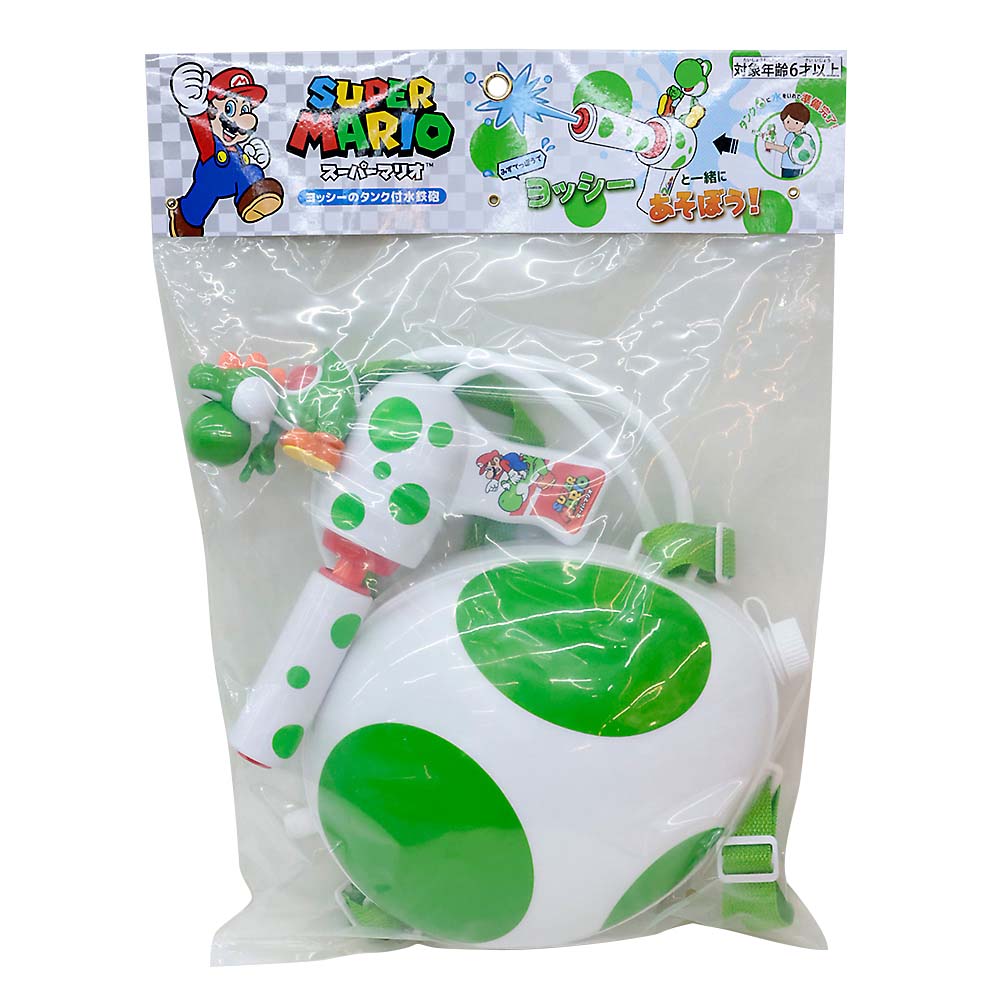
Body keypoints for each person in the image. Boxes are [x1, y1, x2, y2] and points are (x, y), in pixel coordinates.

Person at [765, 101, 811, 179]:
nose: (791, 125)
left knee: (785, 183)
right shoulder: (804, 136)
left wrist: (771, 146)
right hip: (799, 165)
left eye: (796, 123)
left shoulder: (791, 136)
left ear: (804, 124)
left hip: (788, 166)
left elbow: (784, 149)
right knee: (796, 181)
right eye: (788, 122)